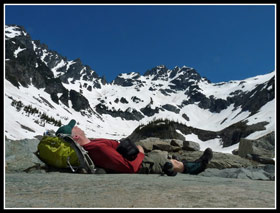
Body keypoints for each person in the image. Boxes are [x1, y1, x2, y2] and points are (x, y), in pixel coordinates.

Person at [55, 119, 213, 176]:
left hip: (133, 156)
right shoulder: (98, 150)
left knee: (159, 153)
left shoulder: (93, 144)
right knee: (161, 156)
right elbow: (130, 168)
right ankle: (194, 167)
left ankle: (177, 165)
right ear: (75, 136)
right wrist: (141, 153)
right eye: (75, 128)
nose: (79, 127)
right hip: (140, 165)